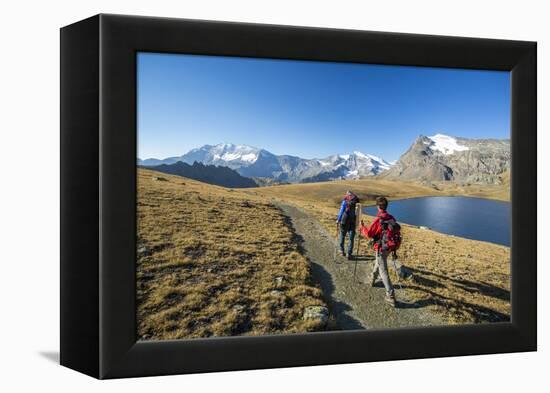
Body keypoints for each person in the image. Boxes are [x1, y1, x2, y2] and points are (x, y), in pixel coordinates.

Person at [360, 196, 400, 307]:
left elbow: (369, 234)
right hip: (390, 247)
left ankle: (390, 295)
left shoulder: (379, 219)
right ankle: (372, 278)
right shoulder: (391, 217)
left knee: (383, 271)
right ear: (386, 206)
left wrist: (362, 227)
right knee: (379, 261)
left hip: (381, 247)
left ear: (378, 206)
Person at [336, 190, 360, 260]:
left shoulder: (345, 201)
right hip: (353, 221)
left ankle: (342, 250)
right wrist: (358, 222)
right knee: (351, 238)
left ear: (347, 195)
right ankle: (349, 253)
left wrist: (338, 219)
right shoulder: (356, 202)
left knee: (342, 235)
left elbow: (341, 211)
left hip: (344, 220)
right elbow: (358, 212)